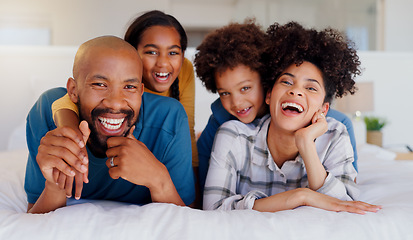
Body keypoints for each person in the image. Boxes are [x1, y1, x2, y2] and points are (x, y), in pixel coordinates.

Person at [203, 22, 381, 214]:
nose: (295, 91)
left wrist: (306, 144)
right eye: (286, 82)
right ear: (269, 95)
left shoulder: (336, 132)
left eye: (310, 87)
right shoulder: (230, 131)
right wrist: (300, 196)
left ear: (324, 109)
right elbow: (213, 208)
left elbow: (346, 204)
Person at [25, 36, 195, 214]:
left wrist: (158, 179)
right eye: (100, 84)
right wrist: (54, 186)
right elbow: (35, 219)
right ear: (73, 91)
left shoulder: (170, 119)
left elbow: (190, 219)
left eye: (129, 87)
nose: (115, 103)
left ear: (141, 91)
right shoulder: (48, 113)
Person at [50, 10, 199, 200]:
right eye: (151, 52)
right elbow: (61, 98)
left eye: (173, 52)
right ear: (130, 52)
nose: (163, 62)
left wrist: (194, 186)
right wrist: (70, 131)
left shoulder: (180, 80)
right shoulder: (111, 74)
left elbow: (188, 125)